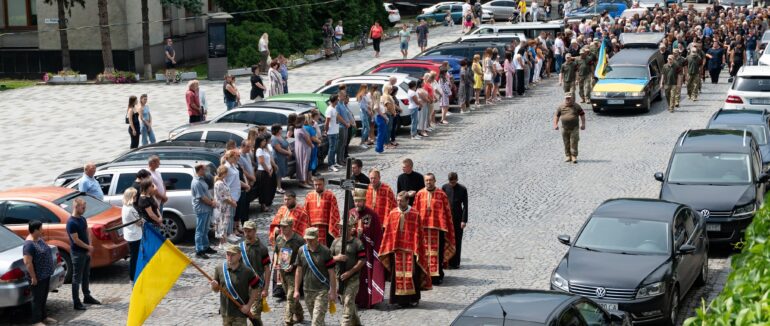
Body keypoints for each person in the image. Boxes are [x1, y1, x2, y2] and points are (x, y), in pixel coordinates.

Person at [379, 191, 429, 307]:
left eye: (401, 201)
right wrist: (388, 247)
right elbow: (389, 233)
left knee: (412, 275)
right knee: (397, 276)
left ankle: (413, 299)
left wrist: (417, 249)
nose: (398, 202)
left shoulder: (415, 214)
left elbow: (419, 234)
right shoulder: (392, 213)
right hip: (396, 251)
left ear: (407, 201)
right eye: (397, 200)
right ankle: (398, 300)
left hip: (411, 251)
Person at [413, 173, 455, 285]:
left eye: (430, 180)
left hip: (438, 229)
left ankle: (437, 276)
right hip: (423, 230)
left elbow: (447, 212)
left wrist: (446, 227)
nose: (428, 182)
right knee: (424, 252)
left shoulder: (441, 194)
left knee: (438, 254)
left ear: (435, 181)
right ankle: (424, 275)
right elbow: (415, 211)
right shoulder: (420, 194)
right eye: (426, 180)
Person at [349, 188, 385, 308]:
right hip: (354, 252)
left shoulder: (372, 215)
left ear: (364, 201)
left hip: (368, 252)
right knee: (355, 275)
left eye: (359, 201)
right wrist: (352, 232)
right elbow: (345, 232)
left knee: (367, 276)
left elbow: (378, 235)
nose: (357, 204)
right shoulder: (351, 213)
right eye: (355, 201)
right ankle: (354, 299)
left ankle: (368, 300)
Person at [294, 227, 337, 326]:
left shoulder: (325, 251)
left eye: (311, 239)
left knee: (316, 322)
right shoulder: (302, 250)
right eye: (307, 239)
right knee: (317, 319)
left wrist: (333, 291)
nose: (309, 241)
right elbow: (299, 271)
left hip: (322, 291)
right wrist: (296, 290)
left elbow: (332, 272)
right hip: (307, 290)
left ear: (317, 237)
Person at [209, 244, 260, 326]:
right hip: (225, 312)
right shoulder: (219, 269)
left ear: (239, 256)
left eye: (233, 255)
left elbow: (256, 288)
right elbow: (216, 290)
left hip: (240, 313)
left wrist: (248, 306)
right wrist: (214, 287)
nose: (229, 257)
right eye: (228, 254)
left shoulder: (247, 271)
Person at [330, 216, 365, 326]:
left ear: (350, 229)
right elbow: (328, 259)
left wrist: (350, 272)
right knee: (347, 303)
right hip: (339, 279)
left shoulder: (357, 243)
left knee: (348, 302)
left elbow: (362, 260)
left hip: (352, 279)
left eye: (343, 228)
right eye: (339, 228)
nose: (340, 230)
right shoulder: (335, 242)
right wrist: (337, 258)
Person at [67, 198, 100, 310]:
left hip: (85, 252)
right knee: (76, 278)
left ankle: (87, 296)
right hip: (77, 253)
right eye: (83, 207)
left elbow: (87, 232)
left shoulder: (82, 219)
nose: (84, 210)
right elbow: (75, 240)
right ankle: (76, 302)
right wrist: (88, 247)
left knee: (86, 275)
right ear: (76, 207)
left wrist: (89, 246)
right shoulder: (71, 222)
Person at [23, 221, 56, 326]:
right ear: (36, 230)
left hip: (45, 274)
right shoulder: (29, 245)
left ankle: (44, 317)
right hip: (37, 276)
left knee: (43, 297)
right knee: (37, 299)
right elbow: (27, 262)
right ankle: (36, 321)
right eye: (41, 228)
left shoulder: (38, 239)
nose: (43, 230)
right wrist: (33, 277)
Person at [274, 217, 306, 325]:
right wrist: (276, 263)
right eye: (281, 226)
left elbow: (304, 257)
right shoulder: (279, 238)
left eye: (285, 227)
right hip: (283, 271)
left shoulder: (299, 240)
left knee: (290, 296)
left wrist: (293, 265)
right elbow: (276, 252)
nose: (282, 229)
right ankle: (300, 314)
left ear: (291, 227)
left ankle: (288, 320)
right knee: (290, 294)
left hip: (295, 272)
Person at [240, 221, 271, 326]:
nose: (247, 233)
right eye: (245, 231)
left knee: (254, 314)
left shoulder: (262, 248)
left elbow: (267, 269)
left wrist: (266, 288)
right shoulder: (240, 248)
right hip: (243, 287)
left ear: (255, 231)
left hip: (257, 287)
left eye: (249, 231)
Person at [304, 177, 341, 246]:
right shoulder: (309, 196)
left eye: (320, 184)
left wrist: (333, 227)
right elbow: (305, 213)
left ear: (324, 184)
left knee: (327, 249)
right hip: (312, 227)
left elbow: (334, 213)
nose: (317, 186)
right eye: (315, 185)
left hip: (327, 228)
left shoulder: (330, 196)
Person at [442, 173, 468, 269]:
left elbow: (465, 205)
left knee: (457, 239)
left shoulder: (462, 189)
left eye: (453, 182)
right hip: (447, 217)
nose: (452, 184)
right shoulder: (444, 188)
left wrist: (464, 220)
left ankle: (456, 262)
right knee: (447, 239)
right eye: (450, 182)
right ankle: (446, 261)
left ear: (457, 180)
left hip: (458, 217)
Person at [192, 163, 217, 259]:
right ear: (200, 170)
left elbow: (206, 193)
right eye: (205, 170)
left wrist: (212, 200)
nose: (206, 172)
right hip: (201, 209)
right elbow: (202, 197)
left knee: (206, 229)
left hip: (206, 208)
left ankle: (206, 247)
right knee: (200, 230)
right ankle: (199, 250)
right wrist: (212, 203)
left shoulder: (202, 180)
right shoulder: (196, 182)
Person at [553, 94, 586, 164]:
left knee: (574, 142)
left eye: (569, 98)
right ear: (564, 99)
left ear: (572, 99)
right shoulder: (561, 107)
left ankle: (574, 156)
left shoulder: (576, 106)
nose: (568, 100)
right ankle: (568, 156)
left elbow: (582, 115)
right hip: (564, 128)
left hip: (574, 127)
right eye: (566, 98)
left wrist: (583, 124)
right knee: (566, 142)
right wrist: (555, 124)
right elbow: (557, 116)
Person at [213, 166, 237, 250]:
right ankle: (222, 243)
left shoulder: (223, 181)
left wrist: (232, 200)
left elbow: (227, 193)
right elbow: (223, 197)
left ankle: (224, 241)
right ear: (224, 173)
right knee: (221, 225)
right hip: (221, 207)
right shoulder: (219, 183)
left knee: (225, 224)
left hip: (225, 207)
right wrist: (232, 203)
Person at [121, 188, 142, 281]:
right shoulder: (131, 209)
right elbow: (139, 222)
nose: (137, 197)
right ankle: (133, 276)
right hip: (135, 236)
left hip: (129, 235)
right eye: (135, 196)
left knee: (133, 256)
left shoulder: (124, 207)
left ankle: (133, 275)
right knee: (134, 257)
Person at [255, 135, 276, 212]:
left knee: (269, 187)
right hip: (263, 171)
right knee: (263, 189)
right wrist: (268, 170)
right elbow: (261, 162)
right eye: (263, 141)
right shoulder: (259, 150)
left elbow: (269, 158)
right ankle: (263, 205)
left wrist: (271, 169)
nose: (265, 142)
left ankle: (267, 202)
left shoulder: (264, 149)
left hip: (269, 170)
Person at [294, 115, 313, 188]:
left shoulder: (297, 128)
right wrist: (311, 145)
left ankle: (304, 180)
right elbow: (307, 140)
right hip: (303, 148)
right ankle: (303, 181)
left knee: (302, 163)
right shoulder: (300, 129)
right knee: (304, 164)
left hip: (300, 147)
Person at [270, 124, 291, 194]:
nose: (281, 130)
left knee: (281, 171)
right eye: (280, 128)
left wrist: (289, 151)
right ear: (277, 130)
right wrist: (288, 153)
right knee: (278, 173)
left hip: (283, 157)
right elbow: (279, 149)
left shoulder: (280, 136)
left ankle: (279, 186)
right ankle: (278, 187)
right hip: (278, 157)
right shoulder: (274, 138)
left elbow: (286, 144)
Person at [324, 94, 342, 172]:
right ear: (335, 101)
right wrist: (326, 130)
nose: (338, 101)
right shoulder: (329, 109)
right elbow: (327, 122)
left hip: (335, 131)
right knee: (331, 149)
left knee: (334, 148)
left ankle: (333, 163)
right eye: (337, 100)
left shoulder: (334, 108)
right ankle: (330, 165)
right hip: (331, 132)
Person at [356, 85, 372, 149]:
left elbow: (365, 104)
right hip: (363, 113)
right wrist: (368, 111)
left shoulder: (364, 95)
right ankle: (362, 142)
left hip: (364, 112)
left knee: (364, 127)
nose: (367, 90)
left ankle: (364, 142)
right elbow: (362, 106)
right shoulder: (361, 95)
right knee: (367, 128)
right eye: (367, 88)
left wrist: (368, 107)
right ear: (364, 88)